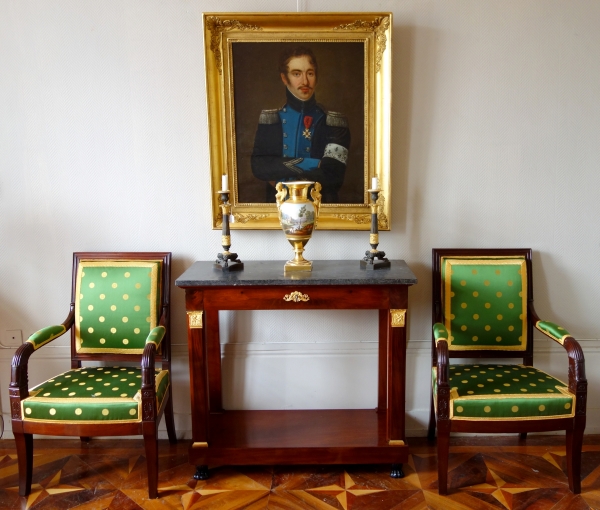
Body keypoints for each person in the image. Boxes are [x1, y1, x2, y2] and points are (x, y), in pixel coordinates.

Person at [251, 46, 351, 203]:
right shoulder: (271, 120)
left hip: (321, 207)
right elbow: (259, 167)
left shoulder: (334, 122)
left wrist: (279, 170)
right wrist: (314, 163)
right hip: (277, 207)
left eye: (310, 73)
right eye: (296, 74)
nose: (305, 81)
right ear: (284, 78)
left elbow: (333, 175)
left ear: (316, 77)